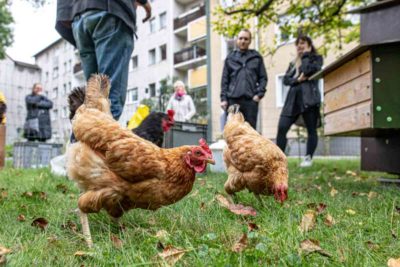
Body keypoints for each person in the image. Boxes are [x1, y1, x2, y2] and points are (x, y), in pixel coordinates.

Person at [55, 0, 152, 121]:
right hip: (110, 11)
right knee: (108, 99)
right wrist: (145, 4)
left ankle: (82, 138)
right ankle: (101, 138)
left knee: (93, 100)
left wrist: (64, 13)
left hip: (79, 18)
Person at [276, 35, 323, 167]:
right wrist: (297, 80)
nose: (299, 46)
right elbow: (286, 80)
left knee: (311, 129)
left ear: (309, 44)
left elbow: (308, 70)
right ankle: (279, 159)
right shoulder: (293, 63)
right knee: (282, 128)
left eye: (302, 43)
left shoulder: (316, 59)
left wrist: (306, 55)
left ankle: (308, 158)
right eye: (297, 44)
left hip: (309, 100)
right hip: (292, 101)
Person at [220, 29, 268, 129]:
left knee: (250, 131)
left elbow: (263, 77)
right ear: (237, 40)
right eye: (240, 38)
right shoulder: (230, 58)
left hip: (250, 101)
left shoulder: (256, 57)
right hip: (233, 101)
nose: (243, 41)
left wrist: (259, 95)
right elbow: (225, 80)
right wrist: (223, 99)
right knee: (232, 130)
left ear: (250, 41)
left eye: (246, 39)